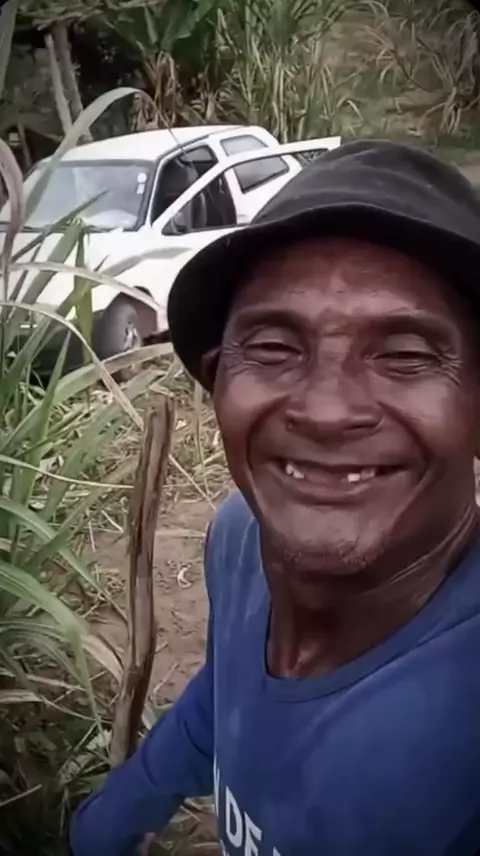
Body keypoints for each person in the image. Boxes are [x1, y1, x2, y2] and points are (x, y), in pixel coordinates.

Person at [70, 140, 480, 856]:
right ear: (216, 379)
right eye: (273, 348)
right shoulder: (239, 538)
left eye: (406, 356)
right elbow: (225, 694)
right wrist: (123, 807)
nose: (325, 412)